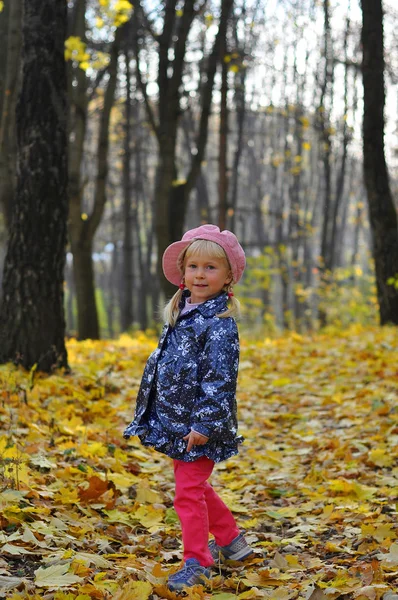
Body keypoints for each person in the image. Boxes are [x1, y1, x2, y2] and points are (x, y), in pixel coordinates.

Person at [123, 224, 253, 591]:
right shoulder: (182, 311)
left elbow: (219, 380)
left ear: (228, 276)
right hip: (177, 422)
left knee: (187, 492)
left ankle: (197, 561)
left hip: (200, 426)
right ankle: (231, 541)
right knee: (195, 486)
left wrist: (205, 424)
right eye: (193, 266)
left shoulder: (219, 324)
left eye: (211, 268)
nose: (200, 274)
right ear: (183, 271)